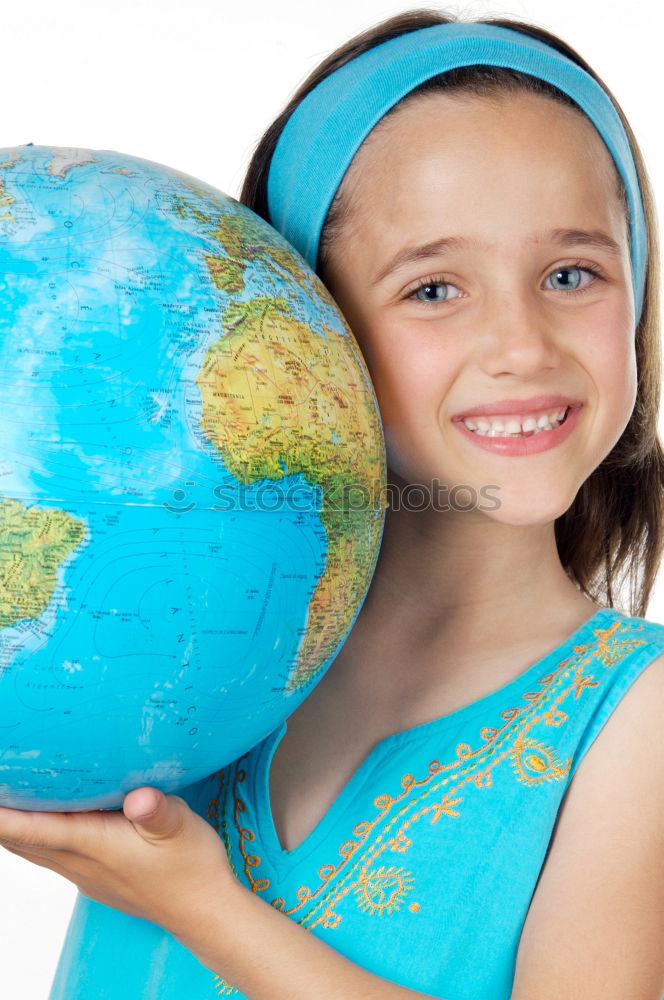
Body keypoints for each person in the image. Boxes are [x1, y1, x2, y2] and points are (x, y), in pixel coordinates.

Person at [2, 10, 664, 1000]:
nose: (522, 345)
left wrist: (202, 906)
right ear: (311, 326)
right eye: (435, 288)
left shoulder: (636, 726)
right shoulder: (177, 657)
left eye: (571, 274)